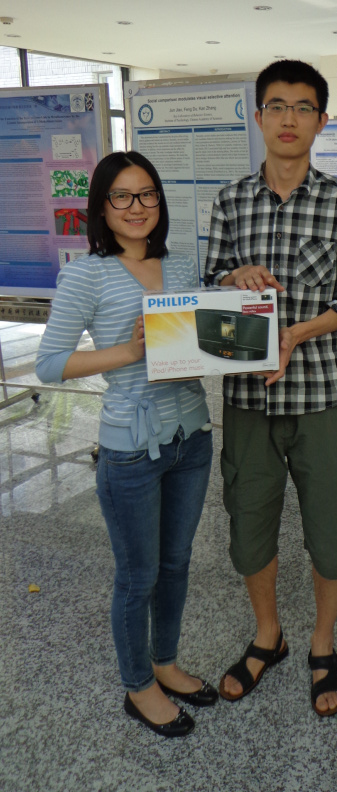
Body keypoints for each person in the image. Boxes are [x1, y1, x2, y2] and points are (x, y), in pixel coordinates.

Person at [204, 59, 337, 716]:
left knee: (330, 534)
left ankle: (322, 645)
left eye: (303, 108)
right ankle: (267, 635)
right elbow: (209, 284)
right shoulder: (230, 201)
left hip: (319, 396)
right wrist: (232, 277)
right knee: (249, 527)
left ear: (321, 121)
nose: (288, 119)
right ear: (258, 116)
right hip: (247, 399)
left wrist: (297, 334)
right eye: (276, 106)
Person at [36, 150, 216, 738]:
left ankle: (165, 662)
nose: (136, 207)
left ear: (159, 201)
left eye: (147, 194)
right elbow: (50, 364)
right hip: (131, 448)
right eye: (122, 196)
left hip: (193, 439)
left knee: (177, 564)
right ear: (102, 207)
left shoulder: (182, 264)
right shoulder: (86, 274)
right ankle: (139, 686)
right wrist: (131, 352)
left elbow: (200, 342)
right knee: (139, 575)